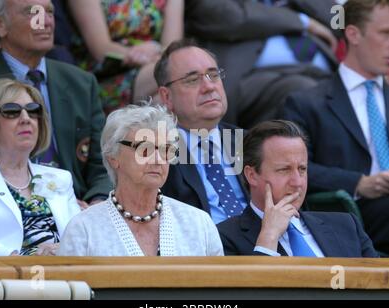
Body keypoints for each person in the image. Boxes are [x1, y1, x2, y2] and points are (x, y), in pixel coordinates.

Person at [282, 0, 389, 256]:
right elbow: (294, 168)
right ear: (353, 34)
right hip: (354, 216)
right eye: (386, 33)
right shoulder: (306, 103)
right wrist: (359, 183)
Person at [0, 0, 111, 207]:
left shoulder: (81, 83)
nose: (46, 21)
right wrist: (50, 206)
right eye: (32, 13)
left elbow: (103, 162)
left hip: (83, 212)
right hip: (10, 215)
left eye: (49, 12)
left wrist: (97, 203)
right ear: (0, 25)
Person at [58, 103, 224, 256]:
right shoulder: (83, 229)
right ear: (113, 157)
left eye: (166, 149)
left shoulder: (199, 224)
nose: (158, 159)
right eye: (145, 149)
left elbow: (220, 286)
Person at [217, 120, 379, 257]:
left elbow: (382, 287)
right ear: (252, 175)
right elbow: (250, 294)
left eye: (302, 169)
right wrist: (269, 237)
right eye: (284, 170)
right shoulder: (224, 237)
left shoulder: (347, 226)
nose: (297, 182)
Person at [0, 79, 80, 256]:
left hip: (66, 274)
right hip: (7, 279)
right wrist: (31, 258)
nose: (26, 119)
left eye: (33, 111)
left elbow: (79, 239)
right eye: (12, 112)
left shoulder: (61, 178)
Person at [184, 0, 339, 128]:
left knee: (346, 95)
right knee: (304, 93)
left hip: (323, 74)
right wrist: (302, 21)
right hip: (255, 78)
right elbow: (230, 17)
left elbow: (341, 21)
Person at [154, 39, 249, 224]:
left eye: (213, 75)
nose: (209, 87)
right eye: (192, 80)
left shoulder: (251, 142)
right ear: (167, 96)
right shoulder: (157, 153)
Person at [68, 0, 184, 114]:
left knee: (165, 102)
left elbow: (172, 46)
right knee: (177, 69)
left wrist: (156, 49)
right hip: (108, 74)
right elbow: (100, 48)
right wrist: (137, 55)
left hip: (156, 62)